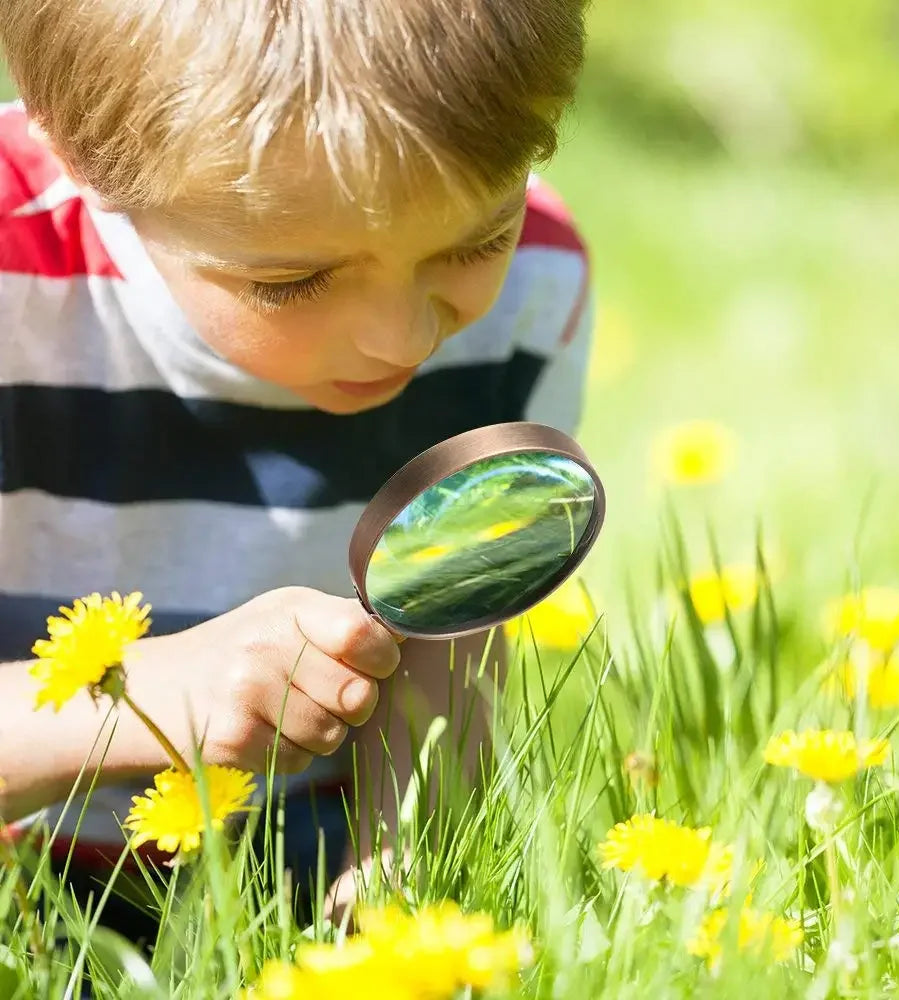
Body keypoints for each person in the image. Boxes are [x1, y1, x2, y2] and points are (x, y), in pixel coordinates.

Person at [0, 0, 592, 932]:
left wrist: (393, 888)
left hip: (294, 876)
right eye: (292, 282)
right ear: (79, 154)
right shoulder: (13, 281)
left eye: (475, 242)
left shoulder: (539, 286)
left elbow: (450, 646)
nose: (403, 338)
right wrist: (146, 696)